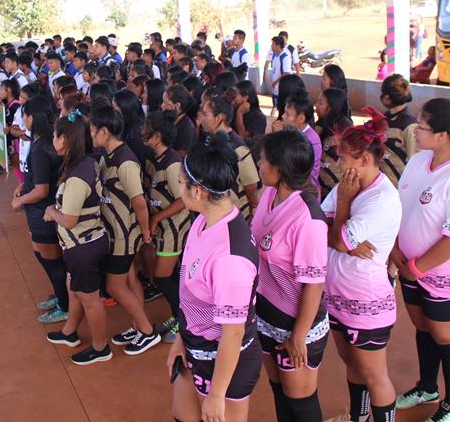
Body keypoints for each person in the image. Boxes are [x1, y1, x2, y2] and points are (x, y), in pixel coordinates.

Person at [390, 98, 450, 422]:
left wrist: (416, 268)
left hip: (441, 270)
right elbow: (403, 208)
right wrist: (395, 252)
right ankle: (427, 387)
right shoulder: (419, 161)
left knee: (447, 336)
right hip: (409, 266)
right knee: (423, 327)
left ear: (443, 134)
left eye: (423, 126)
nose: (416, 130)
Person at [166, 134, 261, 422]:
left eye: (182, 182)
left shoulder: (230, 258)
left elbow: (232, 334)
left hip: (223, 363)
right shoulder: (204, 221)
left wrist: (217, 395)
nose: (178, 188)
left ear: (198, 191)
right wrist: (181, 336)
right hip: (195, 347)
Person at [321, 108, 401, 422]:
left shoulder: (381, 198)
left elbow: (339, 240)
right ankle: (358, 417)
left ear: (364, 160)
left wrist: (342, 209)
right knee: (352, 365)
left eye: (343, 158)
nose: (337, 163)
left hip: (365, 300)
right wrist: (340, 231)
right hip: (338, 295)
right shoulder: (347, 185)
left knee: (374, 375)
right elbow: (320, 225)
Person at [252, 130, 329, 422]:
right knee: (280, 393)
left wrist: (298, 336)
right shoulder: (269, 193)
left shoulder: (307, 219)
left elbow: (314, 283)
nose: (259, 165)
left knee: (301, 403)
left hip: (296, 326)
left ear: (279, 169)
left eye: (263, 161)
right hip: (267, 317)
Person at [89, 105, 161, 355]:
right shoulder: (107, 155)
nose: (91, 134)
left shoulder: (125, 161)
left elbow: (140, 203)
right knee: (129, 280)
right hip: (117, 233)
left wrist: (145, 233)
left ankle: (147, 331)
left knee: (115, 286)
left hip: (125, 235)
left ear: (105, 132)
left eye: (93, 130)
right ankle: (139, 326)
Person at [43, 110, 112, 365]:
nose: (53, 140)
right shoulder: (85, 163)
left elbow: (69, 220)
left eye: (55, 135)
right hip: (85, 243)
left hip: (82, 246)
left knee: (90, 299)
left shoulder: (76, 177)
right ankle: (69, 332)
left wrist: (51, 211)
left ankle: (100, 347)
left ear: (66, 140)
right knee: (76, 291)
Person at [11, 97, 69, 324]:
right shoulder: (46, 142)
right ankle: (60, 295)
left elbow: (42, 189)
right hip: (42, 212)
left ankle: (64, 305)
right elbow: (38, 178)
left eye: (24, 114)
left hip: (42, 212)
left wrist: (20, 200)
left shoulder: (40, 147)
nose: (23, 118)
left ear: (32, 118)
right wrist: (22, 186)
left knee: (53, 261)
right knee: (42, 254)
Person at [142, 110, 191, 343]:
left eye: (148, 128)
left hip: (174, 229)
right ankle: (177, 315)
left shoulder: (172, 164)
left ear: (158, 135)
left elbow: (183, 200)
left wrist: (156, 218)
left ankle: (184, 321)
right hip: (164, 228)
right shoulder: (156, 159)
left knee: (161, 277)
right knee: (168, 276)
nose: (143, 132)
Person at [198, 95, 259, 222]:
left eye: (205, 114)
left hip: (231, 215)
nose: (201, 118)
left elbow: (251, 188)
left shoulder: (238, 148)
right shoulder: (209, 138)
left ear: (219, 118)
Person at [271, 91, 322, 196]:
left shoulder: (311, 140)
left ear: (301, 118)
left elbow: (286, 163)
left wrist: (278, 139)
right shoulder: (289, 130)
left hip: (305, 192)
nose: (283, 117)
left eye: (287, 114)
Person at [379, 74, 418, 187]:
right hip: (382, 184)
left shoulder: (409, 125)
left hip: (399, 188)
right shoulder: (383, 118)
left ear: (387, 97)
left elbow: (414, 162)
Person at [315, 88, 353, 199]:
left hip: (336, 190)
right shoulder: (321, 123)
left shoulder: (344, 125)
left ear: (332, 106)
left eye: (320, 103)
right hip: (321, 188)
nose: (316, 106)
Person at [162, 84, 197, 156]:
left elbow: (180, 155)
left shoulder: (187, 129)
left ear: (177, 105)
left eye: (165, 102)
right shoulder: (170, 119)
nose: (162, 106)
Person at [268, 37, 293, 107]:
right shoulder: (274, 56)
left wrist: (275, 82)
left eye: (273, 44)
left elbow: (286, 73)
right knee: (276, 106)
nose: (271, 46)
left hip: (282, 88)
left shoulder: (285, 57)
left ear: (278, 45)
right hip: (275, 88)